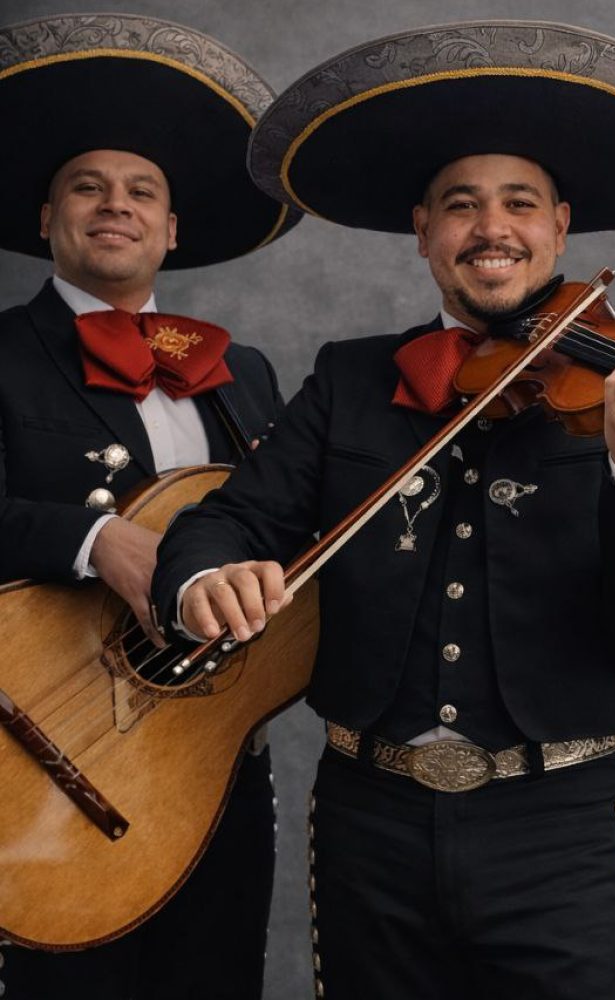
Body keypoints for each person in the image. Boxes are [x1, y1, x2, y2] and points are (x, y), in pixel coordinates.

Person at [152, 21, 615, 999]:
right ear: (422, 230)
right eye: (460, 206)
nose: (490, 228)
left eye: (517, 204)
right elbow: (229, 520)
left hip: (558, 821)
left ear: (558, 226)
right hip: (369, 818)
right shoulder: (349, 378)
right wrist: (204, 573)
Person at [0, 13, 300, 999]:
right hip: (48, 751)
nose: (115, 206)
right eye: (88, 187)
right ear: (48, 219)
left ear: (172, 230)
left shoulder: (239, 372)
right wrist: (93, 537)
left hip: (211, 755)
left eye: (142, 193)